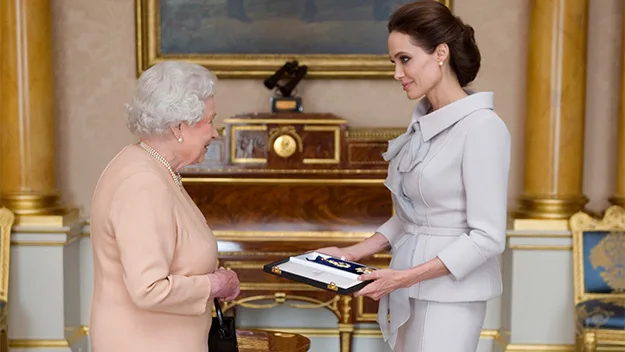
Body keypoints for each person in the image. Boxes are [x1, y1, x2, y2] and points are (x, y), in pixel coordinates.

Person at [316, 1, 511, 351]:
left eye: (404, 59)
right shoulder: (422, 123)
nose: (397, 73)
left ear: (440, 53)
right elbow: (411, 216)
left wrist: (404, 277)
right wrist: (353, 252)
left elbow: (488, 237)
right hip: (407, 283)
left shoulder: (483, 128)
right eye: (394, 62)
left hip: (450, 295)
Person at [89, 61, 240, 352]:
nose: (215, 133)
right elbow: (149, 289)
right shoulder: (144, 183)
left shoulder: (151, 167)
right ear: (178, 127)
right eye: (209, 120)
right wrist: (215, 285)